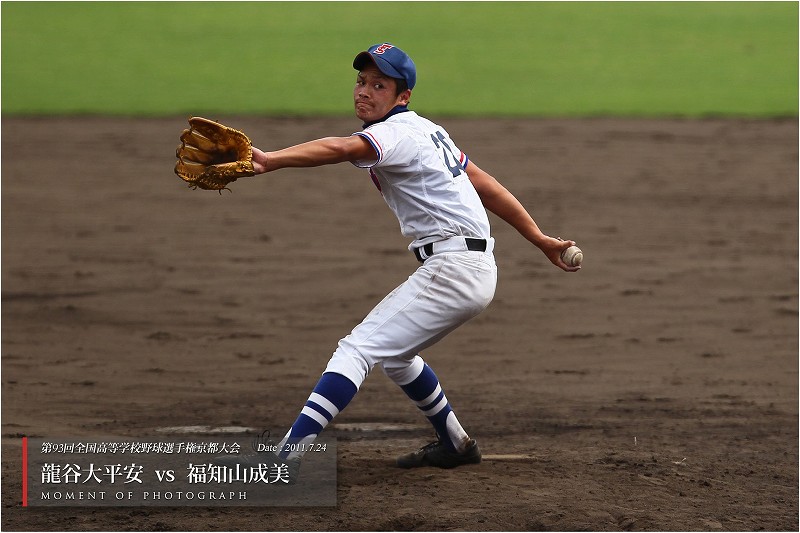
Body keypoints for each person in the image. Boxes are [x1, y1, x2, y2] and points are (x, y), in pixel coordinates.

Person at [225, 42, 579, 476]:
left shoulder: (394, 134)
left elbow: (341, 148)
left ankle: (285, 459)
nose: (364, 91)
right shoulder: (428, 130)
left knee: (357, 349)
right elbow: (482, 182)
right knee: (397, 354)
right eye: (361, 81)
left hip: (453, 269)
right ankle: (455, 442)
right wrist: (539, 239)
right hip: (471, 268)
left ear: (402, 96)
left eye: (379, 85)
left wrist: (272, 160)